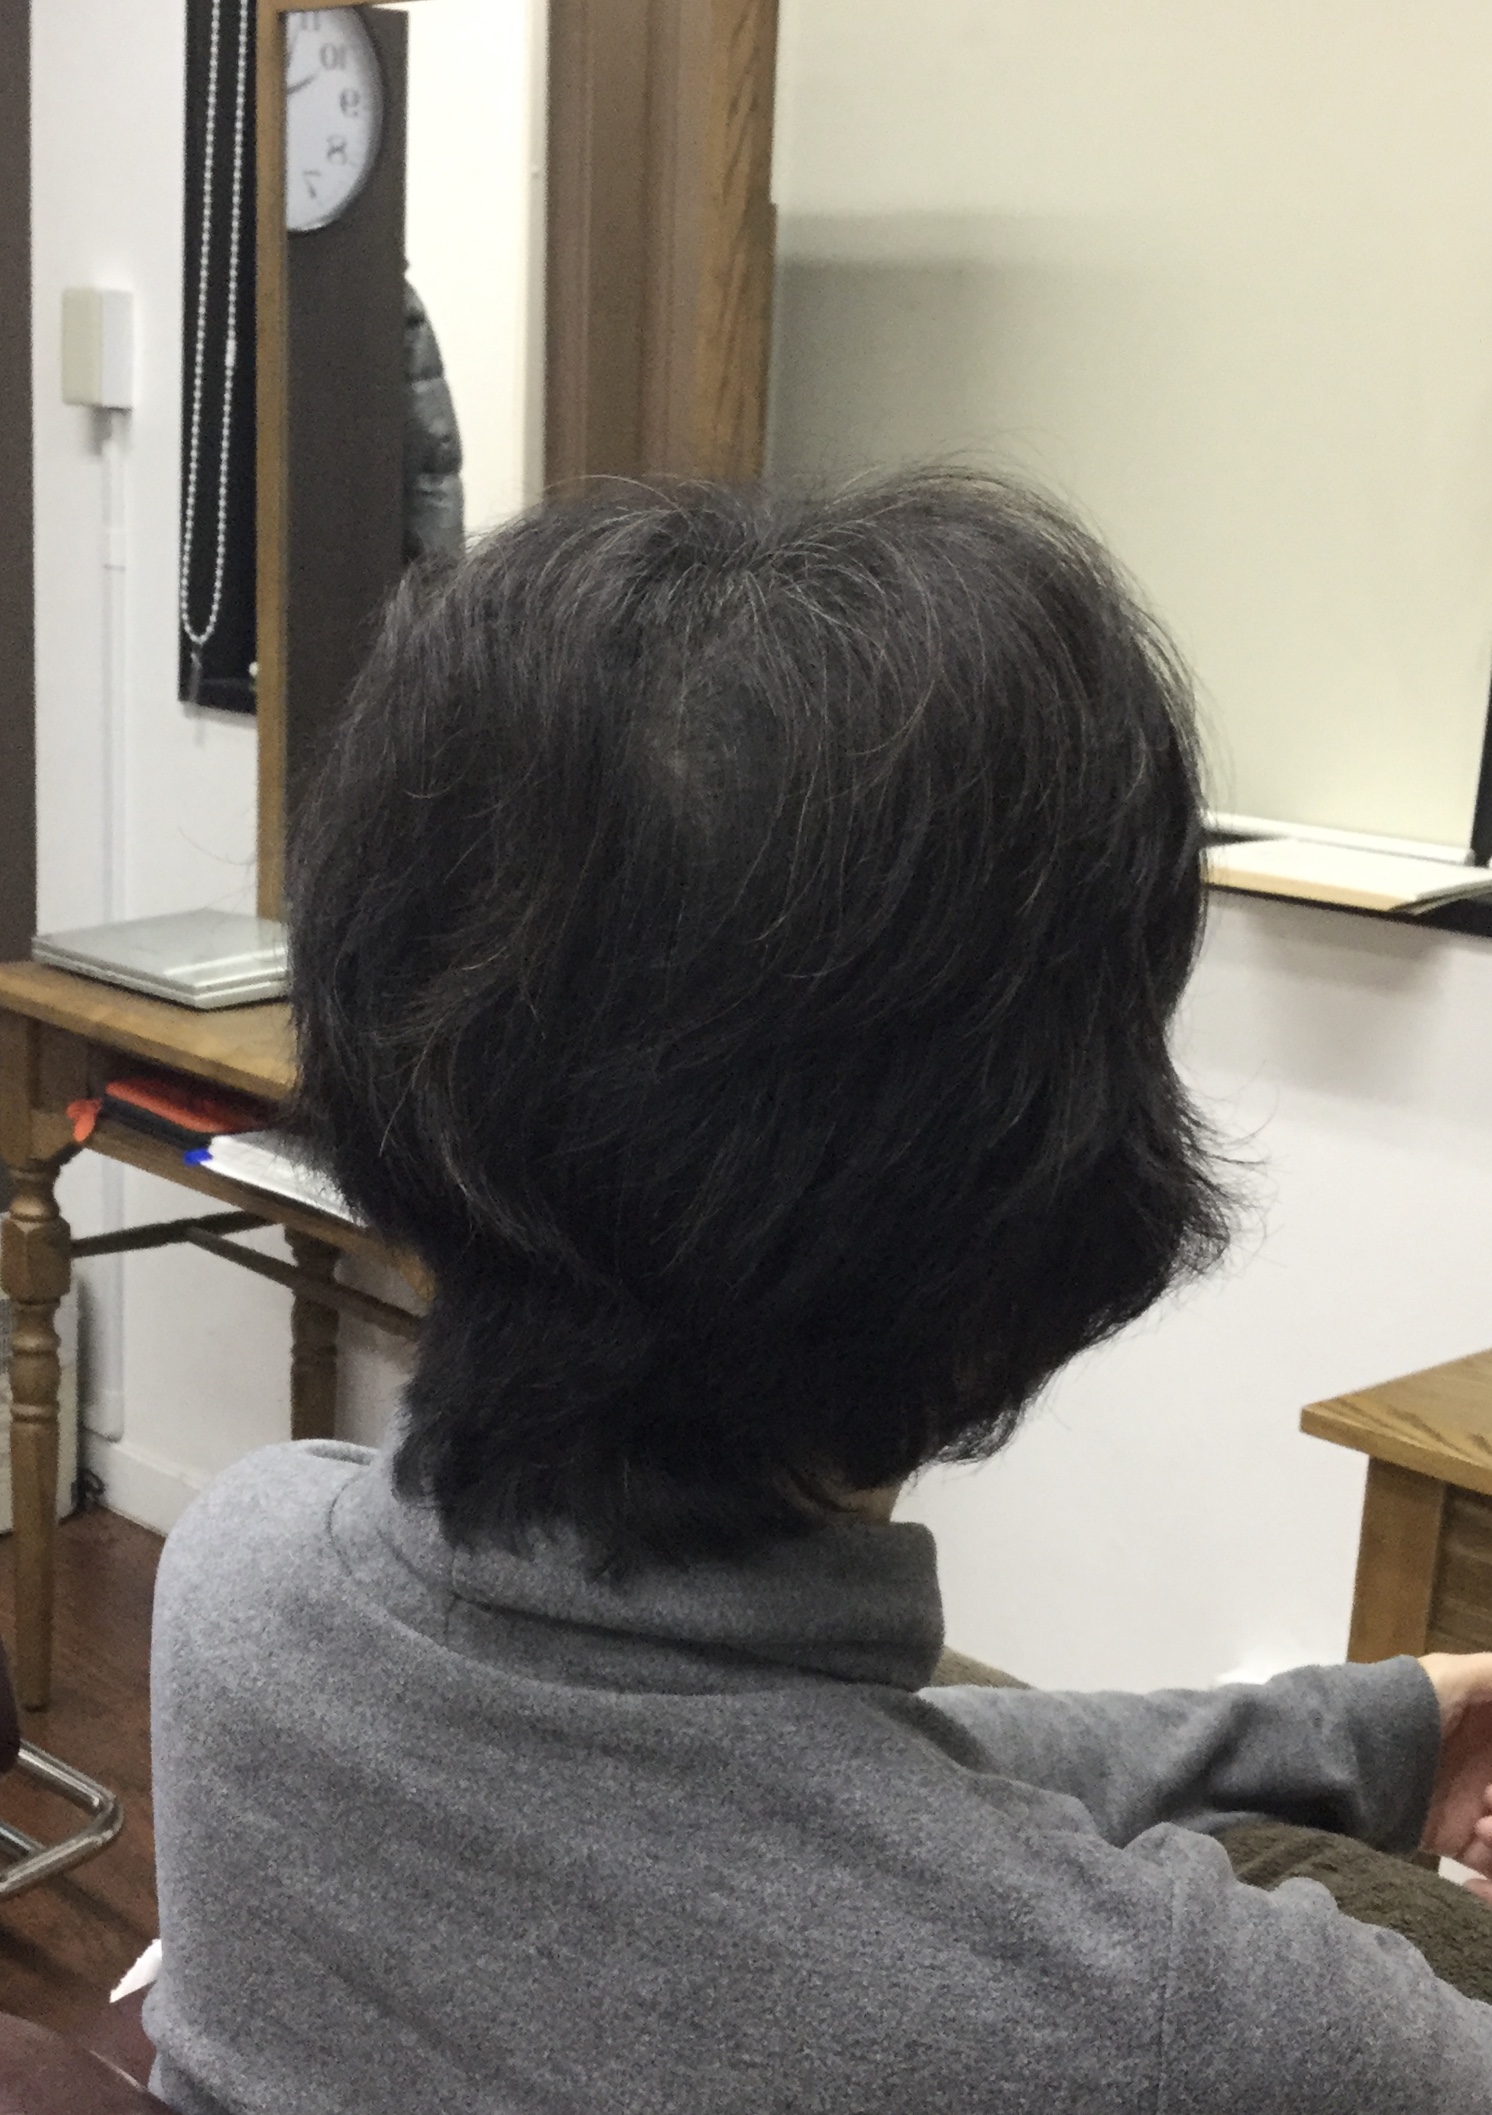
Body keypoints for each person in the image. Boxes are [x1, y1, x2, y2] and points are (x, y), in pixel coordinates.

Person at [148, 475, 1492, 2113]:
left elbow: (802, 1783)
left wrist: (1355, 1733)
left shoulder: (238, 1579)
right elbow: (835, 1827)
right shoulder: (1206, 2037)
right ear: (1041, 1252)